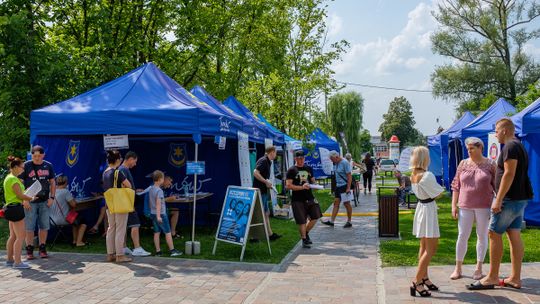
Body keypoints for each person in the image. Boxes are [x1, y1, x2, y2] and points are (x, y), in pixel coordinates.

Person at [468, 118, 533, 290]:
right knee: (514, 235)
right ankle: (515, 278)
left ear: (504, 130)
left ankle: (492, 277)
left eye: (496, 130)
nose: (495, 134)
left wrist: (498, 199)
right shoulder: (519, 145)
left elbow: (509, 174)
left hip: (509, 200)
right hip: (519, 199)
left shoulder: (511, 147)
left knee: (493, 233)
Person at [449, 137, 495, 281]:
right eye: (468, 149)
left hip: (484, 206)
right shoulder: (463, 164)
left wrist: (497, 202)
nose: (469, 151)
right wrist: (453, 205)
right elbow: (456, 185)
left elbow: (497, 185)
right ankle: (458, 268)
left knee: (482, 236)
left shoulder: (491, 164)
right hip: (464, 205)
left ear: (480, 148)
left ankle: (479, 268)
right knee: (462, 235)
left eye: (472, 149)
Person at [409, 146, 444, 297]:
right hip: (428, 209)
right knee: (431, 248)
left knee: (423, 246)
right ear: (425, 158)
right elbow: (438, 193)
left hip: (421, 208)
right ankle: (417, 281)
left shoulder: (413, 174)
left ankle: (424, 277)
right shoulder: (427, 175)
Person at [20, 145, 56, 260]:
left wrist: (52, 197)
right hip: (30, 201)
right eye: (34, 156)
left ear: (43, 155)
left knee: (44, 225)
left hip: (44, 200)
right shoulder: (26, 165)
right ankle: (29, 249)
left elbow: (53, 182)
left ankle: (42, 248)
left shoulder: (48, 165)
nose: (37, 158)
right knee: (29, 227)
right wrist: (23, 199)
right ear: (32, 155)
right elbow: (20, 183)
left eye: (39, 156)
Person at [286, 150, 322, 248]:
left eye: (302, 158)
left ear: (304, 158)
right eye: (299, 159)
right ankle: (304, 239)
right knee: (302, 221)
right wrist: (302, 187)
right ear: (295, 159)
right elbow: (288, 185)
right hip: (297, 199)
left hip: (310, 197)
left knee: (316, 216)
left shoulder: (309, 168)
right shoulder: (292, 170)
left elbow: (313, 181)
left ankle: (305, 232)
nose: (301, 160)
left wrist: (315, 186)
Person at [3, 156, 35, 269]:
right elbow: (20, 196)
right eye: (22, 167)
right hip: (16, 208)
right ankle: (17, 262)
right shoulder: (13, 179)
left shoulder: (9, 178)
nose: (23, 169)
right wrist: (31, 198)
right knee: (21, 236)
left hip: (10, 208)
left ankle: (10, 260)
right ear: (16, 167)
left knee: (13, 236)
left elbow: (18, 193)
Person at [118, 151, 151, 257]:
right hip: (127, 202)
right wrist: (130, 202)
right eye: (135, 161)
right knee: (135, 225)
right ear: (130, 159)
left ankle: (123, 247)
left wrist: (135, 191)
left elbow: (127, 187)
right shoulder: (123, 170)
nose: (135, 164)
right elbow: (124, 187)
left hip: (125, 201)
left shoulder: (123, 170)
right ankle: (137, 248)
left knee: (124, 226)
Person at [102, 150, 132, 263]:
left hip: (109, 203)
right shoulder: (118, 172)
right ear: (118, 160)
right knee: (120, 229)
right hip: (120, 203)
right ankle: (120, 255)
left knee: (111, 228)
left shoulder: (105, 172)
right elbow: (128, 185)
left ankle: (110, 254)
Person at [148, 170, 182, 257]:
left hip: (153, 213)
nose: (164, 180)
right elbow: (158, 204)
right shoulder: (159, 191)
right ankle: (172, 250)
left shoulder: (151, 189)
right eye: (163, 178)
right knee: (167, 232)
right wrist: (159, 216)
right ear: (160, 179)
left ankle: (158, 251)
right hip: (161, 214)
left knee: (156, 232)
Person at [50, 176, 89, 247]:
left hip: (52, 220)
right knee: (83, 222)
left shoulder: (52, 191)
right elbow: (73, 204)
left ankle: (74, 241)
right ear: (65, 183)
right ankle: (79, 242)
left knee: (76, 221)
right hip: (63, 219)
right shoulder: (65, 191)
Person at [252, 146, 281, 241]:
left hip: (263, 191)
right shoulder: (264, 160)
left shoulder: (268, 161)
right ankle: (255, 236)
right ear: (272, 152)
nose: (276, 155)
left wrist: (268, 184)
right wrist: (265, 182)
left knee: (266, 212)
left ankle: (269, 234)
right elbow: (255, 172)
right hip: (259, 191)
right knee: (259, 213)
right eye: (275, 152)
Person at [322, 150, 353, 228]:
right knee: (336, 203)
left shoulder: (345, 163)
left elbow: (349, 176)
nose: (331, 161)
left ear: (336, 157)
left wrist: (348, 187)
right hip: (338, 186)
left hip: (344, 186)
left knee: (346, 204)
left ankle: (349, 221)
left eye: (332, 159)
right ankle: (332, 222)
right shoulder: (335, 163)